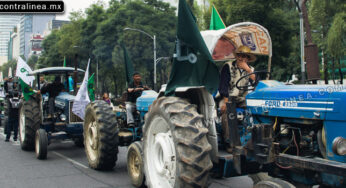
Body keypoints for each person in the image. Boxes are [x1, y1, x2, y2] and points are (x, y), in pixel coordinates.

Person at [218, 45, 257, 152]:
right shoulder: (228, 66)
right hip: (228, 97)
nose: (241, 59)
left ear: (248, 59)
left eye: (244, 57)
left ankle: (252, 139)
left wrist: (248, 70)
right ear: (236, 56)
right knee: (228, 112)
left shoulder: (251, 70)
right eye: (240, 56)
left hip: (242, 98)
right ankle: (230, 142)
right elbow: (223, 86)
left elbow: (256, 84)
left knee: (256, 109)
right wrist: (226, 102)